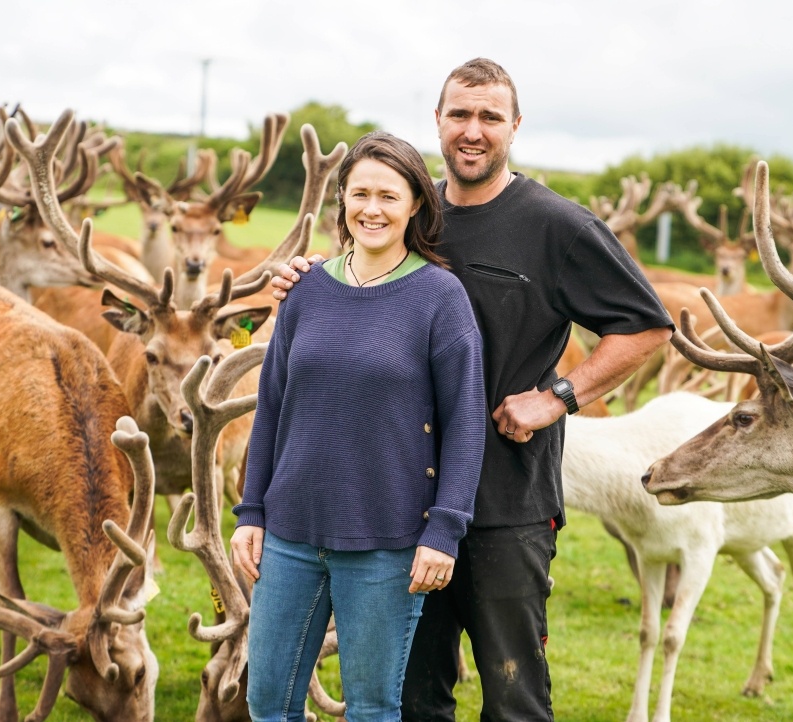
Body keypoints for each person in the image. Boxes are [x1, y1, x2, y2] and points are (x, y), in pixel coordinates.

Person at [272, 58, 673, 721]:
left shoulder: (557, 226)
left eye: (490, 116)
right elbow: (358, 276)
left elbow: (648, 327)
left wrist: (556, 397)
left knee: (514, 697)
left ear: (515, 127)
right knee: (411, 697)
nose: (473, 130)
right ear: (437, 121)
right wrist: (310, 276)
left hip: (506, 503)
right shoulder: (412, 211)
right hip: (401, 505)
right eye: (460, 114)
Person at [230, 131, 486, 722]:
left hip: (387, 541)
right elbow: (272, 409)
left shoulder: (440, 298)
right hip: (292, 533)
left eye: (389, 196)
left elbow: (466, 423)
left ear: (416, 204)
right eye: (360, 194)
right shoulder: (305, 291)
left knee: (371, 709)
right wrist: (251, 513)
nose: (372, 209)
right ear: (341, 199)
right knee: (268, 701)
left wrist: (444, 532)